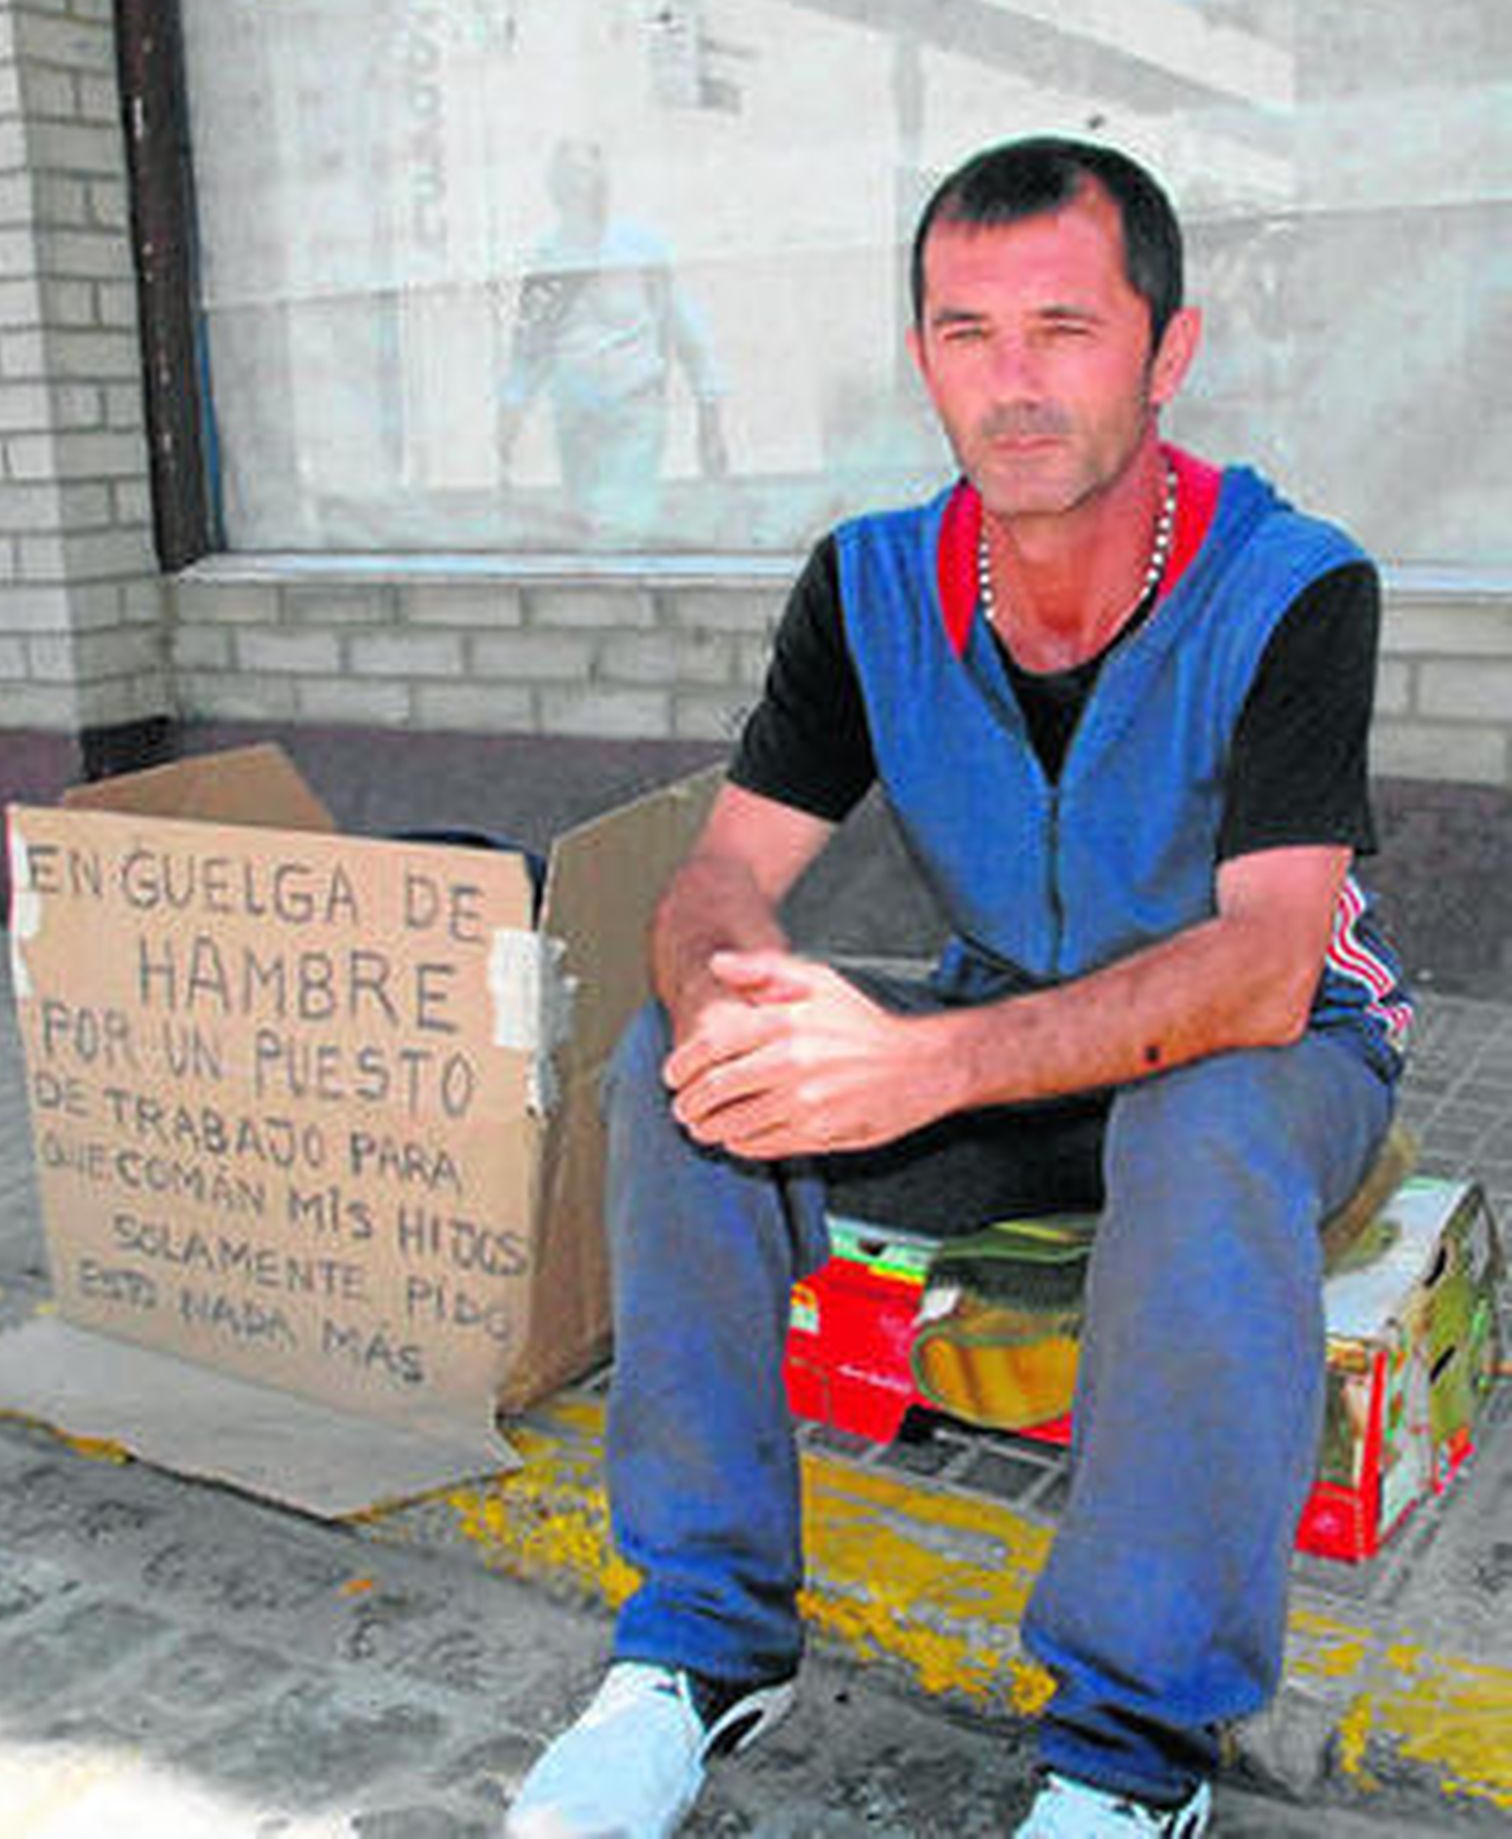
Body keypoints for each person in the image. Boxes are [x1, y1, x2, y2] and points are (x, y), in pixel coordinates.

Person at [504, 135, 1410, 1839]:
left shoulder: (1292, 585)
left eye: (1066, 327)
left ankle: (1130, 1752)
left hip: (1272, 1059)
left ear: (1168, 349)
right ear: (919, 354)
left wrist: (923, 1066)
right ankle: (699, 1644)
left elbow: (1268, 965)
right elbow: (719, 875)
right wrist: (728, 1004)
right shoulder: (870, 587)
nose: (1015, 382)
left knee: (1204, 1124)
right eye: (966, 332)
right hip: (1011, 1045)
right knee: (676, 1071)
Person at [497, 138, 727, 539]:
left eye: (587, 172)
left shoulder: (639, 248)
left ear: (603, 180)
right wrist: (511, 410)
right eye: (568, 174)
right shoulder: (548, 258)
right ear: (554, 186)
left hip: (635, 407)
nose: (579, 184)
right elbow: (530, 345)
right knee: (589, 528)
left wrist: (709, 408)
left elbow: (684, 328)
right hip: (576, 416)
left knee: (627, 525)